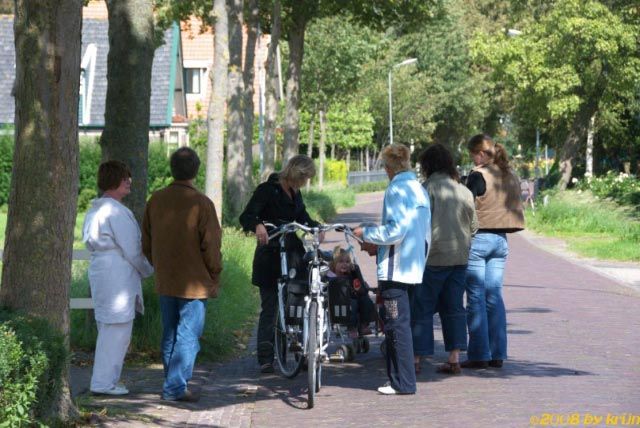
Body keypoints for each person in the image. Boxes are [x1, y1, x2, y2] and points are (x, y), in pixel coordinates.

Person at [142, 147, 222, 402]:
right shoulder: (202, 203)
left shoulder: (155, 199)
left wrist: (159, 264)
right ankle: (175, 387)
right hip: (195, 282)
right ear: (196, 170)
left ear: (171, 169)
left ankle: (172, 382)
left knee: (170, 333)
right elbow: (211, 245)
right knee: (188, 334)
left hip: (166, 279)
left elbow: (146, 240)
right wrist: (215, 273)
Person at [353, 144, 431, 395]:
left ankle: (403, 382)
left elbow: (395, 230)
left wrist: (366, 233)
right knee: (403, 324)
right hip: (414, 266)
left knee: (395, 325)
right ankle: (402, 380)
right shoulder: (418, 188)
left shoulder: (396, 188)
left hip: (395, 270)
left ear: (388, 167)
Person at [239, 155, 322, 374]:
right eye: (305, 178)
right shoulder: (267, 190)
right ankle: (266, 358)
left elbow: (302, 217)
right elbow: (246, 216)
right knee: (271, 307)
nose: (305, 182)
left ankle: (302, 350)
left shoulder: (296, 192)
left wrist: (316, 227)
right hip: (270, 254)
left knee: (296, 300)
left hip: (291, 253)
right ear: (297, 173)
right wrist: (258, 225)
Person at [82, 160, 154, 395]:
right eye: (125, 179)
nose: (129, 183)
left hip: (104, 271)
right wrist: (148, 270)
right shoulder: (115, 211)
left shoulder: (96, 208)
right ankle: (103, 383)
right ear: (114, 181)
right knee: (117, 330)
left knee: (110, 328)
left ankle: (105, 380)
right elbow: (132, 249)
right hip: (116, 273)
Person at [411, 144, 477, 375]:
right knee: (454, 307)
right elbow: (474, 226)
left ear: (428, 165)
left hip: (432, 257)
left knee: (422, 306)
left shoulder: (425, 189)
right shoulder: (464, 191)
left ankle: (417, 358)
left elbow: (417, 224)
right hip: (459, 257)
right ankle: (454, 358)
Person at [462, 134, 524, 369]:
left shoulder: (479, 175)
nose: (472, 160)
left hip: (479, 240)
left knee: (476, 297)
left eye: (472, 155)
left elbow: (465, 205)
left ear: (480, 153)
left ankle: (479, 354)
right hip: (501, 240)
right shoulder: (509, 175)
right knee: (494, 296)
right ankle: (498, 353)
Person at [327, 247, 375, 337]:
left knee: (366, 300)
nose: (345, 264)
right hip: (339, 303)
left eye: (347, 262)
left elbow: (359, 287)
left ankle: (364, 325)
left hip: (354, 298)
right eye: (341, 262)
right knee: (352, 304)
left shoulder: (351, 275)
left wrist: (356, 275)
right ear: (333, 264)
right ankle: (351, 328)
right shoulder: (331, 276)